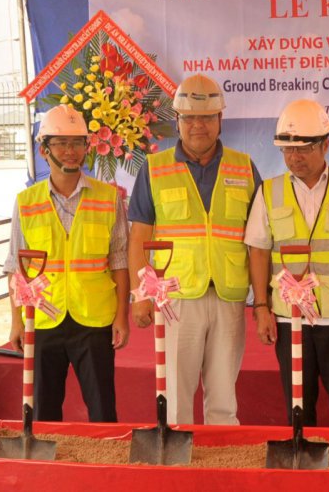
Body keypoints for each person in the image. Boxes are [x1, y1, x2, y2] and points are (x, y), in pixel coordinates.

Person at [128, 73, 260, 425]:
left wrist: (262, 300)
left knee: (224, 397)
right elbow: (139, 237)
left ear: (220, 119)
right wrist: (140, 295)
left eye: (206, 117)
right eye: (189, 118)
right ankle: (178, 456)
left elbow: (260, 241)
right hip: (175, 300)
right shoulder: (154, 169)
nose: (197, 126)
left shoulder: (244, 167)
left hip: (229, 295)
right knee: (175, 394)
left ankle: (221, 456)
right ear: (178, 120)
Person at [245, 98, 329, 427]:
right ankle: (302, 458)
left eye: (304, 149)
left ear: (325, 145)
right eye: (288, 150)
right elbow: (258, 251)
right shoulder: (268, 192)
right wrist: (261, 307)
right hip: (289, 318)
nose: (295, 157)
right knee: (298, 408)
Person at [4, 103, 130, 422]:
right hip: (43, 318)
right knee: (43, 411)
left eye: (77, 143)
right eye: (61, 143)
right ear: (44, 150)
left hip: (94, 319)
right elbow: (16, 267)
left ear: (87, 147)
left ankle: (105, 456)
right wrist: (17, 321)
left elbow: (120, 261)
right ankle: (48, 457)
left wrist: (122, 317)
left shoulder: (108, 198)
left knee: (103, 410)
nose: (70, 151)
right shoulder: (26, 202)